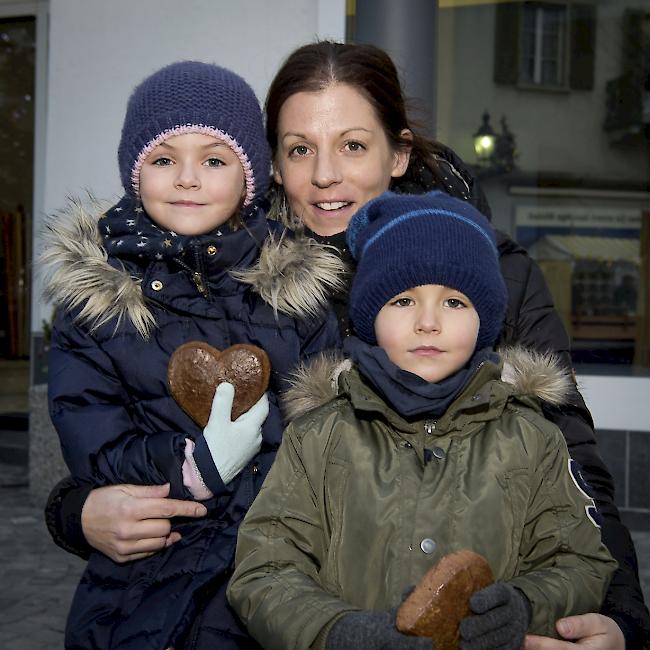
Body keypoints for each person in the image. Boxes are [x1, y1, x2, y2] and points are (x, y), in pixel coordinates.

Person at [44, 41, 649, 648]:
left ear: (399, 153)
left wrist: (621, 618)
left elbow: (572, 466)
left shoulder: (494, 276)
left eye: (353, 145)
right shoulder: (244, 276)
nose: (326, 175)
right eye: (300, 149)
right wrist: (77, 510)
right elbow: (157, 416)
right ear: (272, 164)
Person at [227, 190, 617, 650]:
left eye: (455, 302)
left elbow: (580, 561)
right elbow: (265, 568)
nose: (428, 322)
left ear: (484, 321)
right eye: (403, 301)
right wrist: (340, 632)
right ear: (372, 317)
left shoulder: (533, 439)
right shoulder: (318, 438)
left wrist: (524, 606)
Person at [41, 61, 339, 649]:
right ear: (134, 172)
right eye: (163, 159)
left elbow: (327, 437)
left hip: (270, 571)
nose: (186, 179)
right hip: (144, 574)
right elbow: (90, 436)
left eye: (213, 159)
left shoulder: (297, 293)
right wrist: (188, 467)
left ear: (250, 176)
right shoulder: (98, 302)